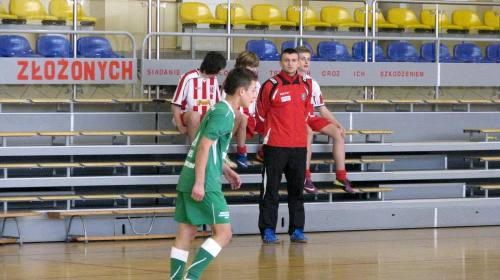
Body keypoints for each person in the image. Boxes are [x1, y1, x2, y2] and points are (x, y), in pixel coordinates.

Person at [170, 67, 258, 280]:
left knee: (187, 233)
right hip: (204, 181)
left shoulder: (218, 108)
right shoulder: (225, 114)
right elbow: (203, 147)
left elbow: (210, 148)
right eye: (254, 90)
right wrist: (200, 183)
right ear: (241, 91)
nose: (255, 95)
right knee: (224, 233)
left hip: (190, 175)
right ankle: (191, 278)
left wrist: (225, 169)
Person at [256, 48, 312, 244]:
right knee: (270, 190)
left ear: (298, 63)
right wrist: (271, 135)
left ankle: (297, 229)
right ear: (280, 62)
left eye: (294, 60)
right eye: (286, 60)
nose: (290, 63)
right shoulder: (271, 85)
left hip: (298, 146)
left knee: (297, 191)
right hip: (275, 146)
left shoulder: (307, 85)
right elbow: (260, 115)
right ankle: (268, 230)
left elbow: (307, 113)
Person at [295, 46, 355, 195]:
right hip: (296, 119)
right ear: (295, 61)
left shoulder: (312, 83)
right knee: (307, 132)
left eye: (308, 59)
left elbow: (322, 109)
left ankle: (341, 177)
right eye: (303, 59)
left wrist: (337, 124)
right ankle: (305, 177)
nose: (306, 62)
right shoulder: (289, 80)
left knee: (338, 133)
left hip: (310, 117)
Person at [171, 51, 227, 143]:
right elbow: (175, 104)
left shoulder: (214, 79)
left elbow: (217, 103)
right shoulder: (188, 78)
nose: (219, 73)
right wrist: (180, 125)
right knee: (195, 116)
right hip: (187, 116)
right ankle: (194, 151)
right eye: (219, 70)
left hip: (207, 117)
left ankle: (218, 152)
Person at [221, 51, 261, 168]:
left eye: (255, 67)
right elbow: (223, 99)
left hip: (249, 117)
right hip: (231, 115)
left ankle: (243, 151)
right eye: (250, 67)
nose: (253, 70)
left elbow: (257, 100)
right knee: (240, 116)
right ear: (241, 66)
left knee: (244, 117)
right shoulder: (230, 82)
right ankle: (237, 150)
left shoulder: (256, 83)